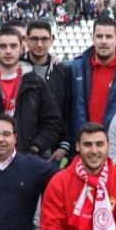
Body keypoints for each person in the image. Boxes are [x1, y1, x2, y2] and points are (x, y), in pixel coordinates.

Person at [0, 26, 62, 156]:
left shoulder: (36, 83)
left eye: (13, 46)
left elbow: (53, 122)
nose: (8, 51)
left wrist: (35, 147)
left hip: (27, 159)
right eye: (3, 46)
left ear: (22, 48)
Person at [68, 18, 116, 141]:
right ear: (93, 38)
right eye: (99, 36)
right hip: (86, 143)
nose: (103, 41)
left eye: (108, 37)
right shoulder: (76, 68)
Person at [24, 19, 73, 163]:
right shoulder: (17, 68)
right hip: (21, 148)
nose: (39, 44)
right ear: (26, 40)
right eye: (34, 39)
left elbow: (67, 111)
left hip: (52, 151)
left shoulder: (62, 71)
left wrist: (64, 145)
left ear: (51, 40)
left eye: (44, 39)